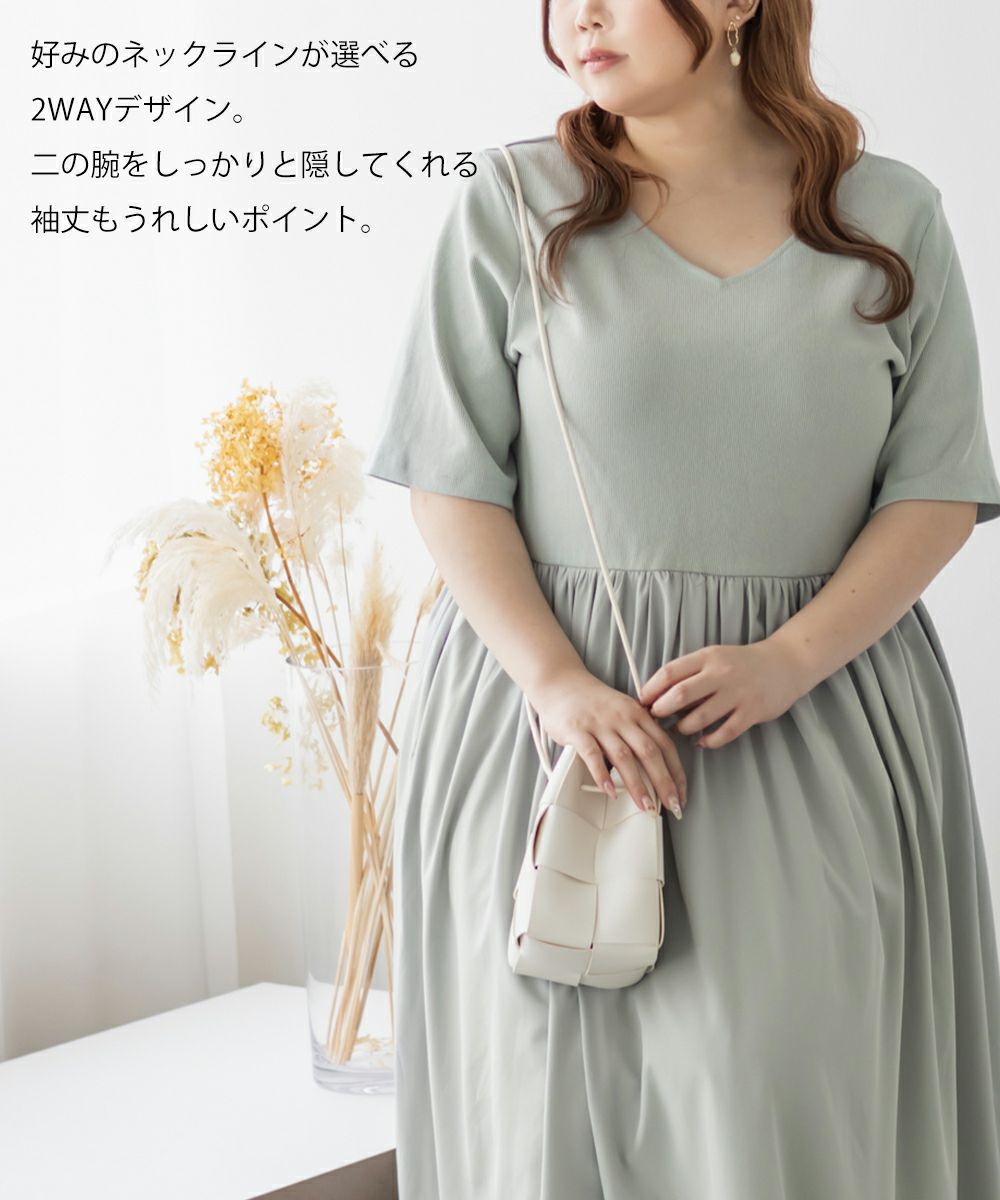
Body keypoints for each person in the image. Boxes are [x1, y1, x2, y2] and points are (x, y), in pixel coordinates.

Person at [364, 1, 1000, 1196]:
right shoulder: (512, 203)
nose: (580, 16)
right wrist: (557, 685)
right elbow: (450, 482)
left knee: (782, 1107)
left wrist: (789, 658)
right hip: (551, 728)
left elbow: (937, 488)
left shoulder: (890, 215)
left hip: (813, 724)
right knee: (537, 1123)